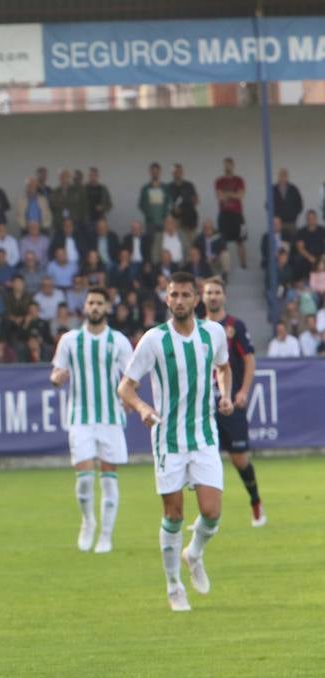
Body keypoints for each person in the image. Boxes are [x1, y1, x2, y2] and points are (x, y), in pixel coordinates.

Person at [117, 272, 233, 612]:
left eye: (185, 295)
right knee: (175, 514)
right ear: (166, 299)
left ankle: (193, 553)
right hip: (168, 439)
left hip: (204, 435)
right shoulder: (154, 340)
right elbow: (126, 386)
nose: (179, 300)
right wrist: (141, 408)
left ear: (196, 299)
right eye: (174, 295)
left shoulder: (213, 333)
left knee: (212, 513)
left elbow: (223, 368)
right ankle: (173, 586)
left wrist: (224, 394)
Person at [49, 288, 134, 554]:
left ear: (107, 308)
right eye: (91, 302)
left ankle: (106, 535)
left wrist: (129, 397)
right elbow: (57, 372)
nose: (95, 307)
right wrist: (57, 379)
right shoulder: (70, 340)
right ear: (84, 307)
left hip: (110, 417)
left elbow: (131, 376)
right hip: (80, 417)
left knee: (108, 479)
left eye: (99, 303)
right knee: (84, 479)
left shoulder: (119, 341)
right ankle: (88, 521)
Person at [201, 278, 265, 527]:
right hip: (204, 406)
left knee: (239, 458)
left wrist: (243, 392)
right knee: (203, 459)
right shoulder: (196, 327)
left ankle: (256, 501)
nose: (213, 296)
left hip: (230, 401)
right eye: (209, 292)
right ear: (202, 297)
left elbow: (248, 360)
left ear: (224, 296)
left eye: (217, 292)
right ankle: (206, 515)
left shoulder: (234, 326)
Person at [214, 157, 248, 269]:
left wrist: (227, 195)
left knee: (241, 240)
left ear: (233, 166)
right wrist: (233, 194)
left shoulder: (239, 180)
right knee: (223, 242)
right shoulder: (219, 181)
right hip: (224, 215)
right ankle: (225, 268)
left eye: (229, 164)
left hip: (238, 215)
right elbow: (220, 197)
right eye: (225, 165)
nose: (227, 167)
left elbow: (241, 196)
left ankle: (243, 265)